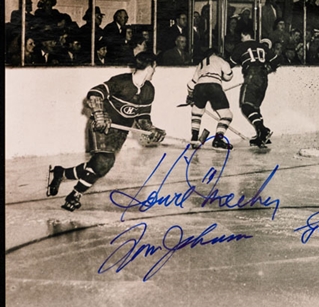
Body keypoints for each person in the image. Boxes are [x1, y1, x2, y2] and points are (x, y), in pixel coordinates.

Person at [46, 52, 166, 212]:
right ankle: (75, 195)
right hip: (102, 126)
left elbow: (143, 118)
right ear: (150, 67)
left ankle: (61, 173)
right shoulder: (121, 81)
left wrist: (151, 130)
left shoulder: (149, 90)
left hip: (119, 133)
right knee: (105, 161)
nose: (155, 71)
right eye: (154, 67)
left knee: (97, 165)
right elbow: (94, 94)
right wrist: (100, 115)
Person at [229, 24, 280, 147]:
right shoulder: (262, 46)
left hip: (251, 76)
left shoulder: (241, 46)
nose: (240, 38)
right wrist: (266, 69)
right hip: (264, 78)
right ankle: (261, 137)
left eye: (241, 36)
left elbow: (229, 64)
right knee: (255, 107)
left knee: (246, 106)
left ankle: (262, 129)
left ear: (245, 35)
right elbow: (276, 61)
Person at [186, 48, 234, 149]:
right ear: (215, 53)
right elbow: (229, 75)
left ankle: (194, 138)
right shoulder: (220, 60)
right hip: (214, 86)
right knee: (227, 115)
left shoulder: (201, 63)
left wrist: (190, 96)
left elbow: (191, 84)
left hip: (199, 86)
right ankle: (218, 139)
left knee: (197, 112)